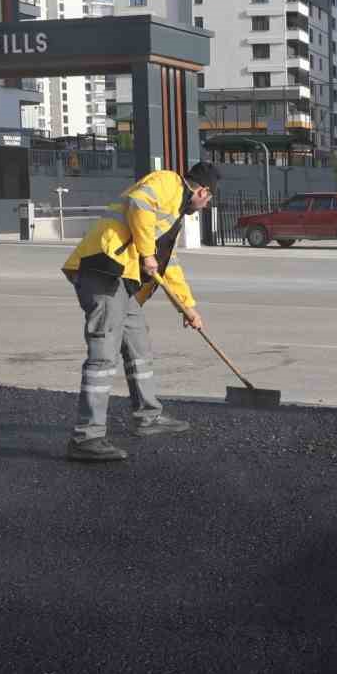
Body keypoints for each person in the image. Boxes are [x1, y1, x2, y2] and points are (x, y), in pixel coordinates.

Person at [60, 162, 220, 461]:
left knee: (138, 344)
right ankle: (86, 437)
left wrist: (187, 307)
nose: (205, 206)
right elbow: (139, 203)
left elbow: (168, 265)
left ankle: (148, 416)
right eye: (208, 200)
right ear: (203, 191)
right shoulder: (168, 182)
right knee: (103, 355)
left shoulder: (173, 214)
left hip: (124, 280)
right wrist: (147, 253)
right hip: (104, 269)